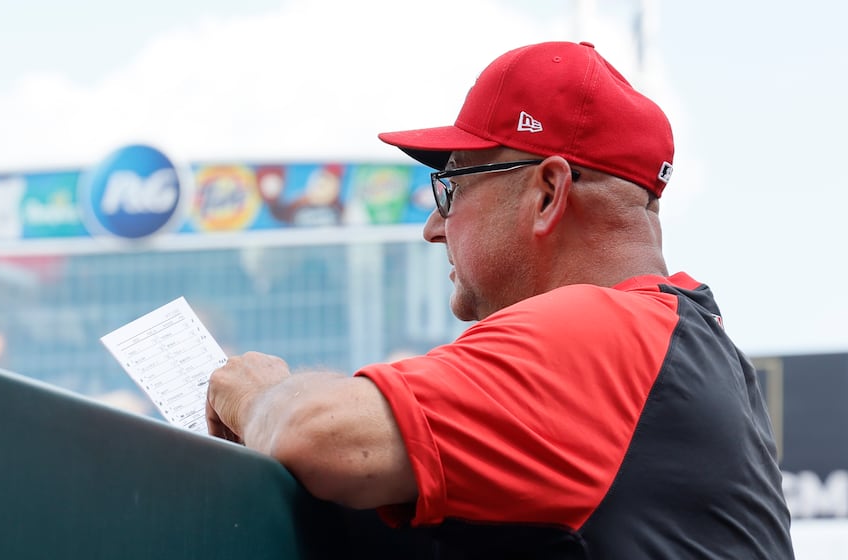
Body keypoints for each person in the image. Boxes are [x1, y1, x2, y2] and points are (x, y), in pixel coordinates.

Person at [206, 41, 794, 558]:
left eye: (453, 186)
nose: (434, 227)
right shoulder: (688, 343)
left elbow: (316, 433)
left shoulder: (609, 331)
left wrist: (257, 390)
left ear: (547, 192)